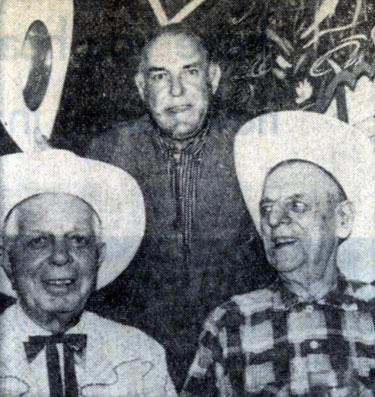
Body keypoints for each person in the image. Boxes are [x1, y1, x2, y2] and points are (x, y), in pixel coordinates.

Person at [85, 23, 275, 388]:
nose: (176, 91)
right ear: (142, 87)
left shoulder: (254, 145)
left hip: (241, 354)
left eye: (190, 72)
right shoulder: (108, 153)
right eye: (160, 76)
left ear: (213, 77)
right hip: (136, 362)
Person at [182, 111, 375, 395]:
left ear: (343, 218)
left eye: (296, 206)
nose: (274, 221)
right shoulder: (230, 322)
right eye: (266, 209)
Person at [0, 150, 177, 397]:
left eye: (78, 240)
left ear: (99, 256)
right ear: (7, 258)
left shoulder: (139, 353)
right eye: (39, 240)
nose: (60, 256)